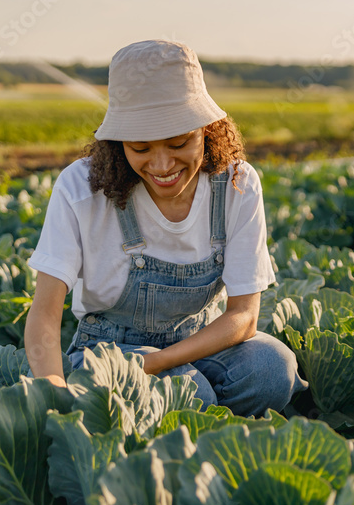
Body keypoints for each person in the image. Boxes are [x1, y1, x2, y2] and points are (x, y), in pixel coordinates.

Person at [23, 39, 307, 416]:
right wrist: (52, 395)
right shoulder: (80, 189)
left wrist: (156, 363)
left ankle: (206, 438)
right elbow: (44, 312)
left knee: (273, 370)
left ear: (207, 129)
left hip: (204, 340)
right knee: (194, 396)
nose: (161, 166)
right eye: (140, 148)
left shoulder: (237, 184)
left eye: (178, 143)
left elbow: (243, 317)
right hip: (110, 351)